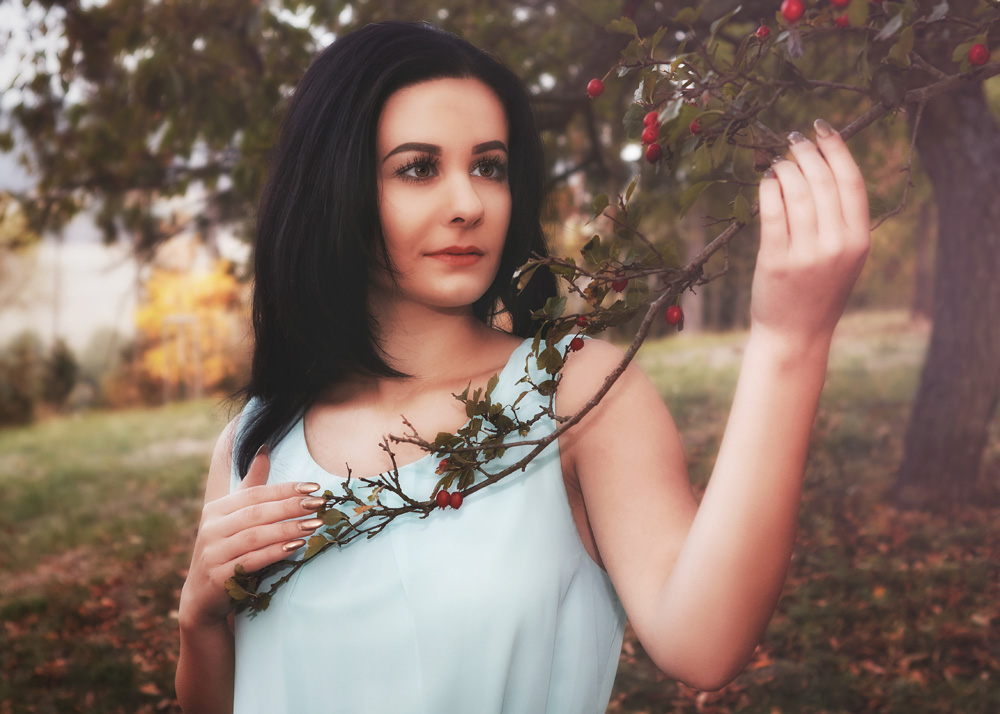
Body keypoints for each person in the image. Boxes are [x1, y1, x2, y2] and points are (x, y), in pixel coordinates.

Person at [175, 20, 870, 714]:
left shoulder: (573, 392)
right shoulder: (258, 441)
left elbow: (704, 642)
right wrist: (199, 621)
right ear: (334, 186)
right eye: (418, 168)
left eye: (489, 166)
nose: (469, 204)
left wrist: (790, 340)